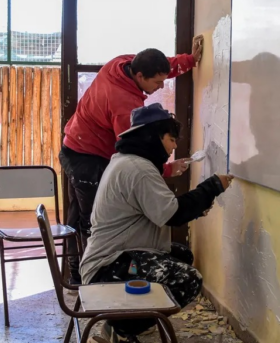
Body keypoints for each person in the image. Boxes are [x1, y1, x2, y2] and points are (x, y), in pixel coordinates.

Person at [80, 103, 233, 343]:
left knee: (180, 256)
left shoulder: (127, 161)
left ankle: (118, 324)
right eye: (171, 139)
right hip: (107, 269)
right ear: (154, 136)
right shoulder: (138, 169)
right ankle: (121, 329)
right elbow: (173, 215)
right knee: (188, 279)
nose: (173, 147)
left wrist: (196, 203)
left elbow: (162, 209)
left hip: (114, 257)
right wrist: (211, 188)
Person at [59, 37, 204, 285]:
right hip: (87, 156)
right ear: (139, 76)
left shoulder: (122, 63)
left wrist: (189, 60)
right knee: (90, 219)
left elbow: (162, 65)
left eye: (163, 80)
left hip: (74, 144)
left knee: (79, 213)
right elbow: (136, 156)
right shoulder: (124, 105)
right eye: (157, 82)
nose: (161, 86)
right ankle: (86, 281)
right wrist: (168, 169)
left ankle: (75, 276)